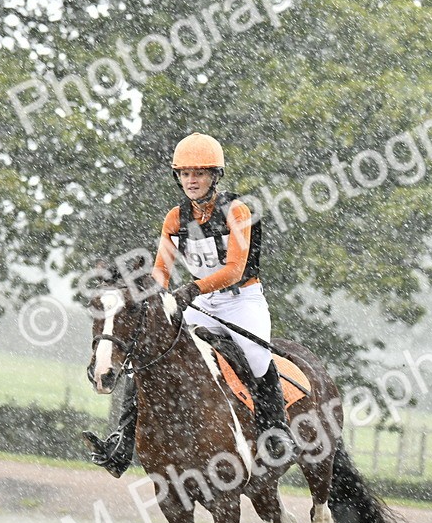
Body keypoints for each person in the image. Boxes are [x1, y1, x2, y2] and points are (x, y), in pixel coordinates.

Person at [85, 132, 297, 478]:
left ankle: (275, 429)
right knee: (151, 354)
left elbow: (235, 269)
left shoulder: (236, 211)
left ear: (215, 176)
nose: (191, 180)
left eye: (199, 173)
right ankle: (122, 440)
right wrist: (138, 287)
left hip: (241, 299)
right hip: (199, 302)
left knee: (257, 356)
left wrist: (191, 289)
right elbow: (161, 273)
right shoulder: (175, 218)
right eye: (185, 174)